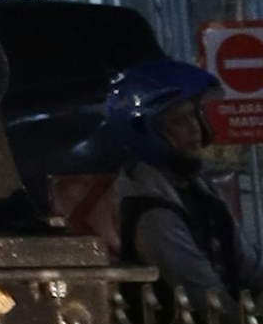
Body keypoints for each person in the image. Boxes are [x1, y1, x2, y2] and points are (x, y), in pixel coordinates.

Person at [68, 57, 250, 295]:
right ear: (145, 132)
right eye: (179, 120)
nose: (194, 127)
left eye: (195, 115)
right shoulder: (152, 212)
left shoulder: (199, 187)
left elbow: (251, 267)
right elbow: (208, 300)